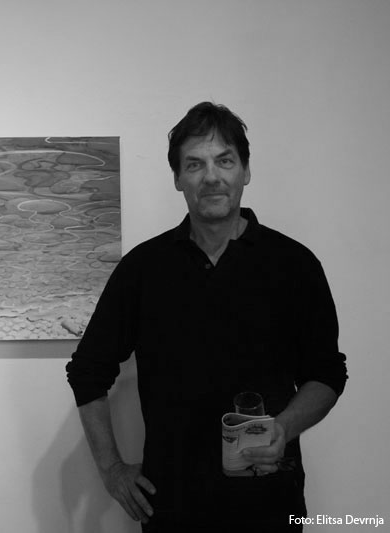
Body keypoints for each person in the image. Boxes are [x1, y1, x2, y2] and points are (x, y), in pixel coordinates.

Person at [66, 102, 347, 532]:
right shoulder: (143, 269)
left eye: (225, 161)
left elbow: (327, 374)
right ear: (178, 178)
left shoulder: (294, 265)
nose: (211, 177)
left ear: (245, 171)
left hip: (270, 503)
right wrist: (111, 469)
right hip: (172, 509)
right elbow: (88, 370)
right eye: (194, 164)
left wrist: (284, 428)